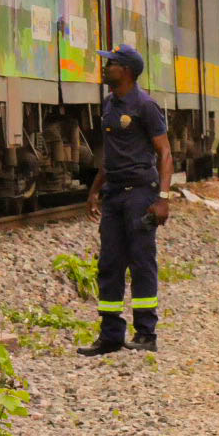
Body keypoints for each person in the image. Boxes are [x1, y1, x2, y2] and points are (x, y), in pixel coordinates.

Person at [78, 45, 173, 356]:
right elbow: (110, 154)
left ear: (128, 71)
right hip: (114, 194)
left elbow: (165, 152)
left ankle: (146, 333)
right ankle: (110, 335)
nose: (106, 68)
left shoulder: (145, 106)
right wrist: (95, 190)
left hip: (141, 193)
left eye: (112, 64)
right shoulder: (109, 105)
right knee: (109, 263)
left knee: (141, 262)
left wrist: (163, 199)